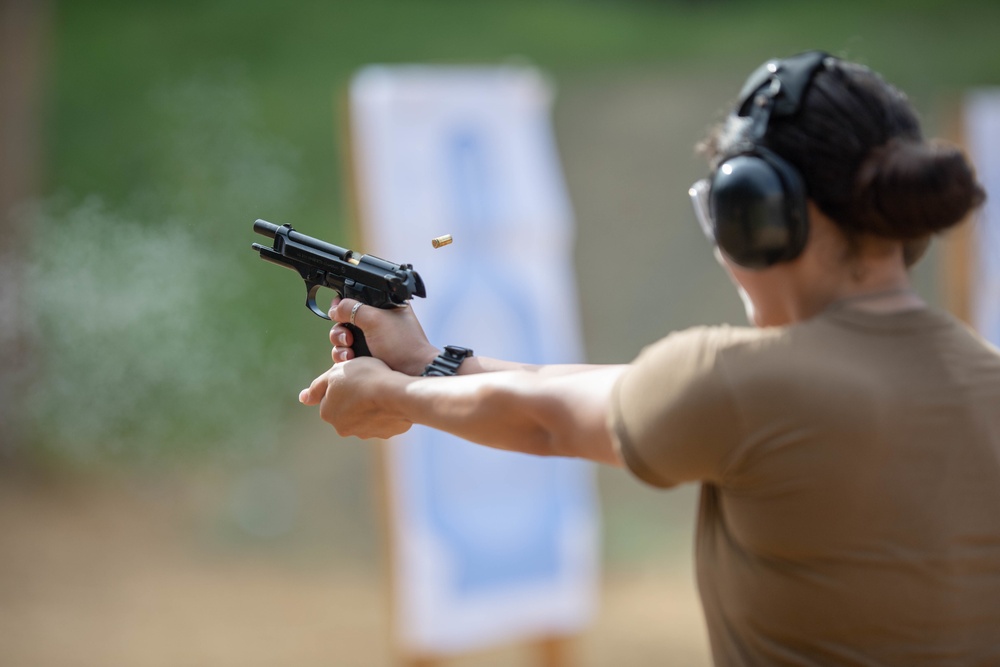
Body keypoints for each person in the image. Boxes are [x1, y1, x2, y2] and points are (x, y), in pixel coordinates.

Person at [299, 51, 1000, 665]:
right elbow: (578, 389)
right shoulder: (985, 377)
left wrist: (390, 394)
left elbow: (545, 419)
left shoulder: (742, 384)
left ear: (757, 213)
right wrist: (425, 363)